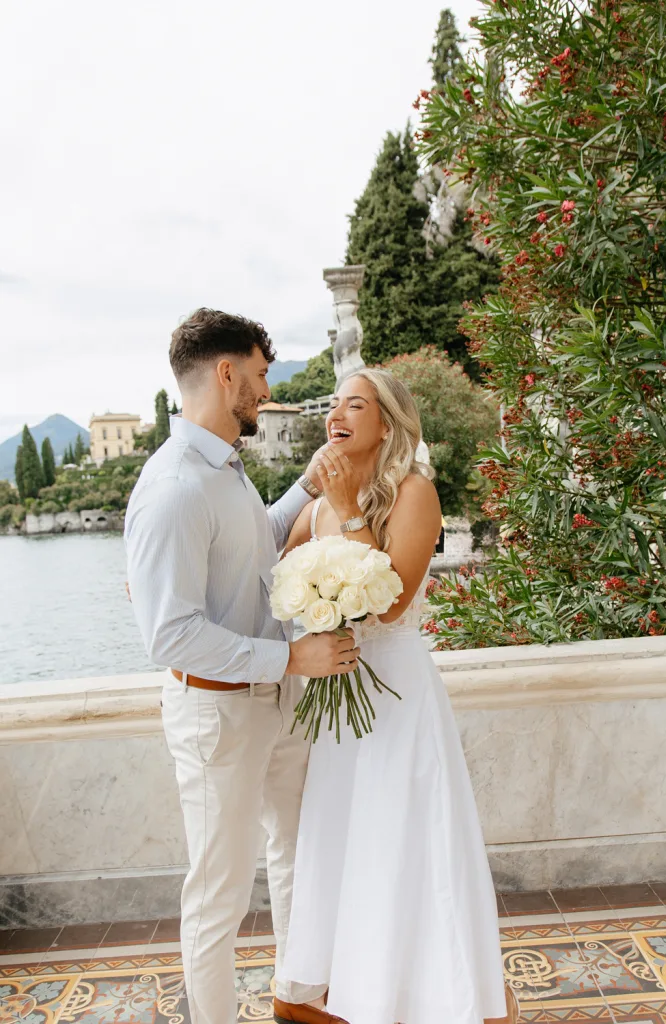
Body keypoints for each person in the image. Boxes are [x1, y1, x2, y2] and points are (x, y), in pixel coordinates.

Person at [124, 308, 360, 1024]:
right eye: (258, 376)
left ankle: (295, 997)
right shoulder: (173, 487)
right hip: (217, 713)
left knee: (295, 854)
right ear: (225, 374)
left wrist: (308, 488)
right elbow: (168, 636)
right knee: (219, 894)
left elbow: (250, 545)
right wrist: (291, 655)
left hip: (272, 700)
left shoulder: (220, 469)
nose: (265, 391)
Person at [273, 368, 517, 1024]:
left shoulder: (414, 494)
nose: (336, 414)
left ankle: (431, 993)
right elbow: (260, 576)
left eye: (355, 404)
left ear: (387, 423)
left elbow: (391, 600)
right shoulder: (310, 507)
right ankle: (344, 991)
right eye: (332, 404)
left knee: (404, 833)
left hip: (398, 694)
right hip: (337, 696)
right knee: (345, 835)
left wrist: (353, 509)